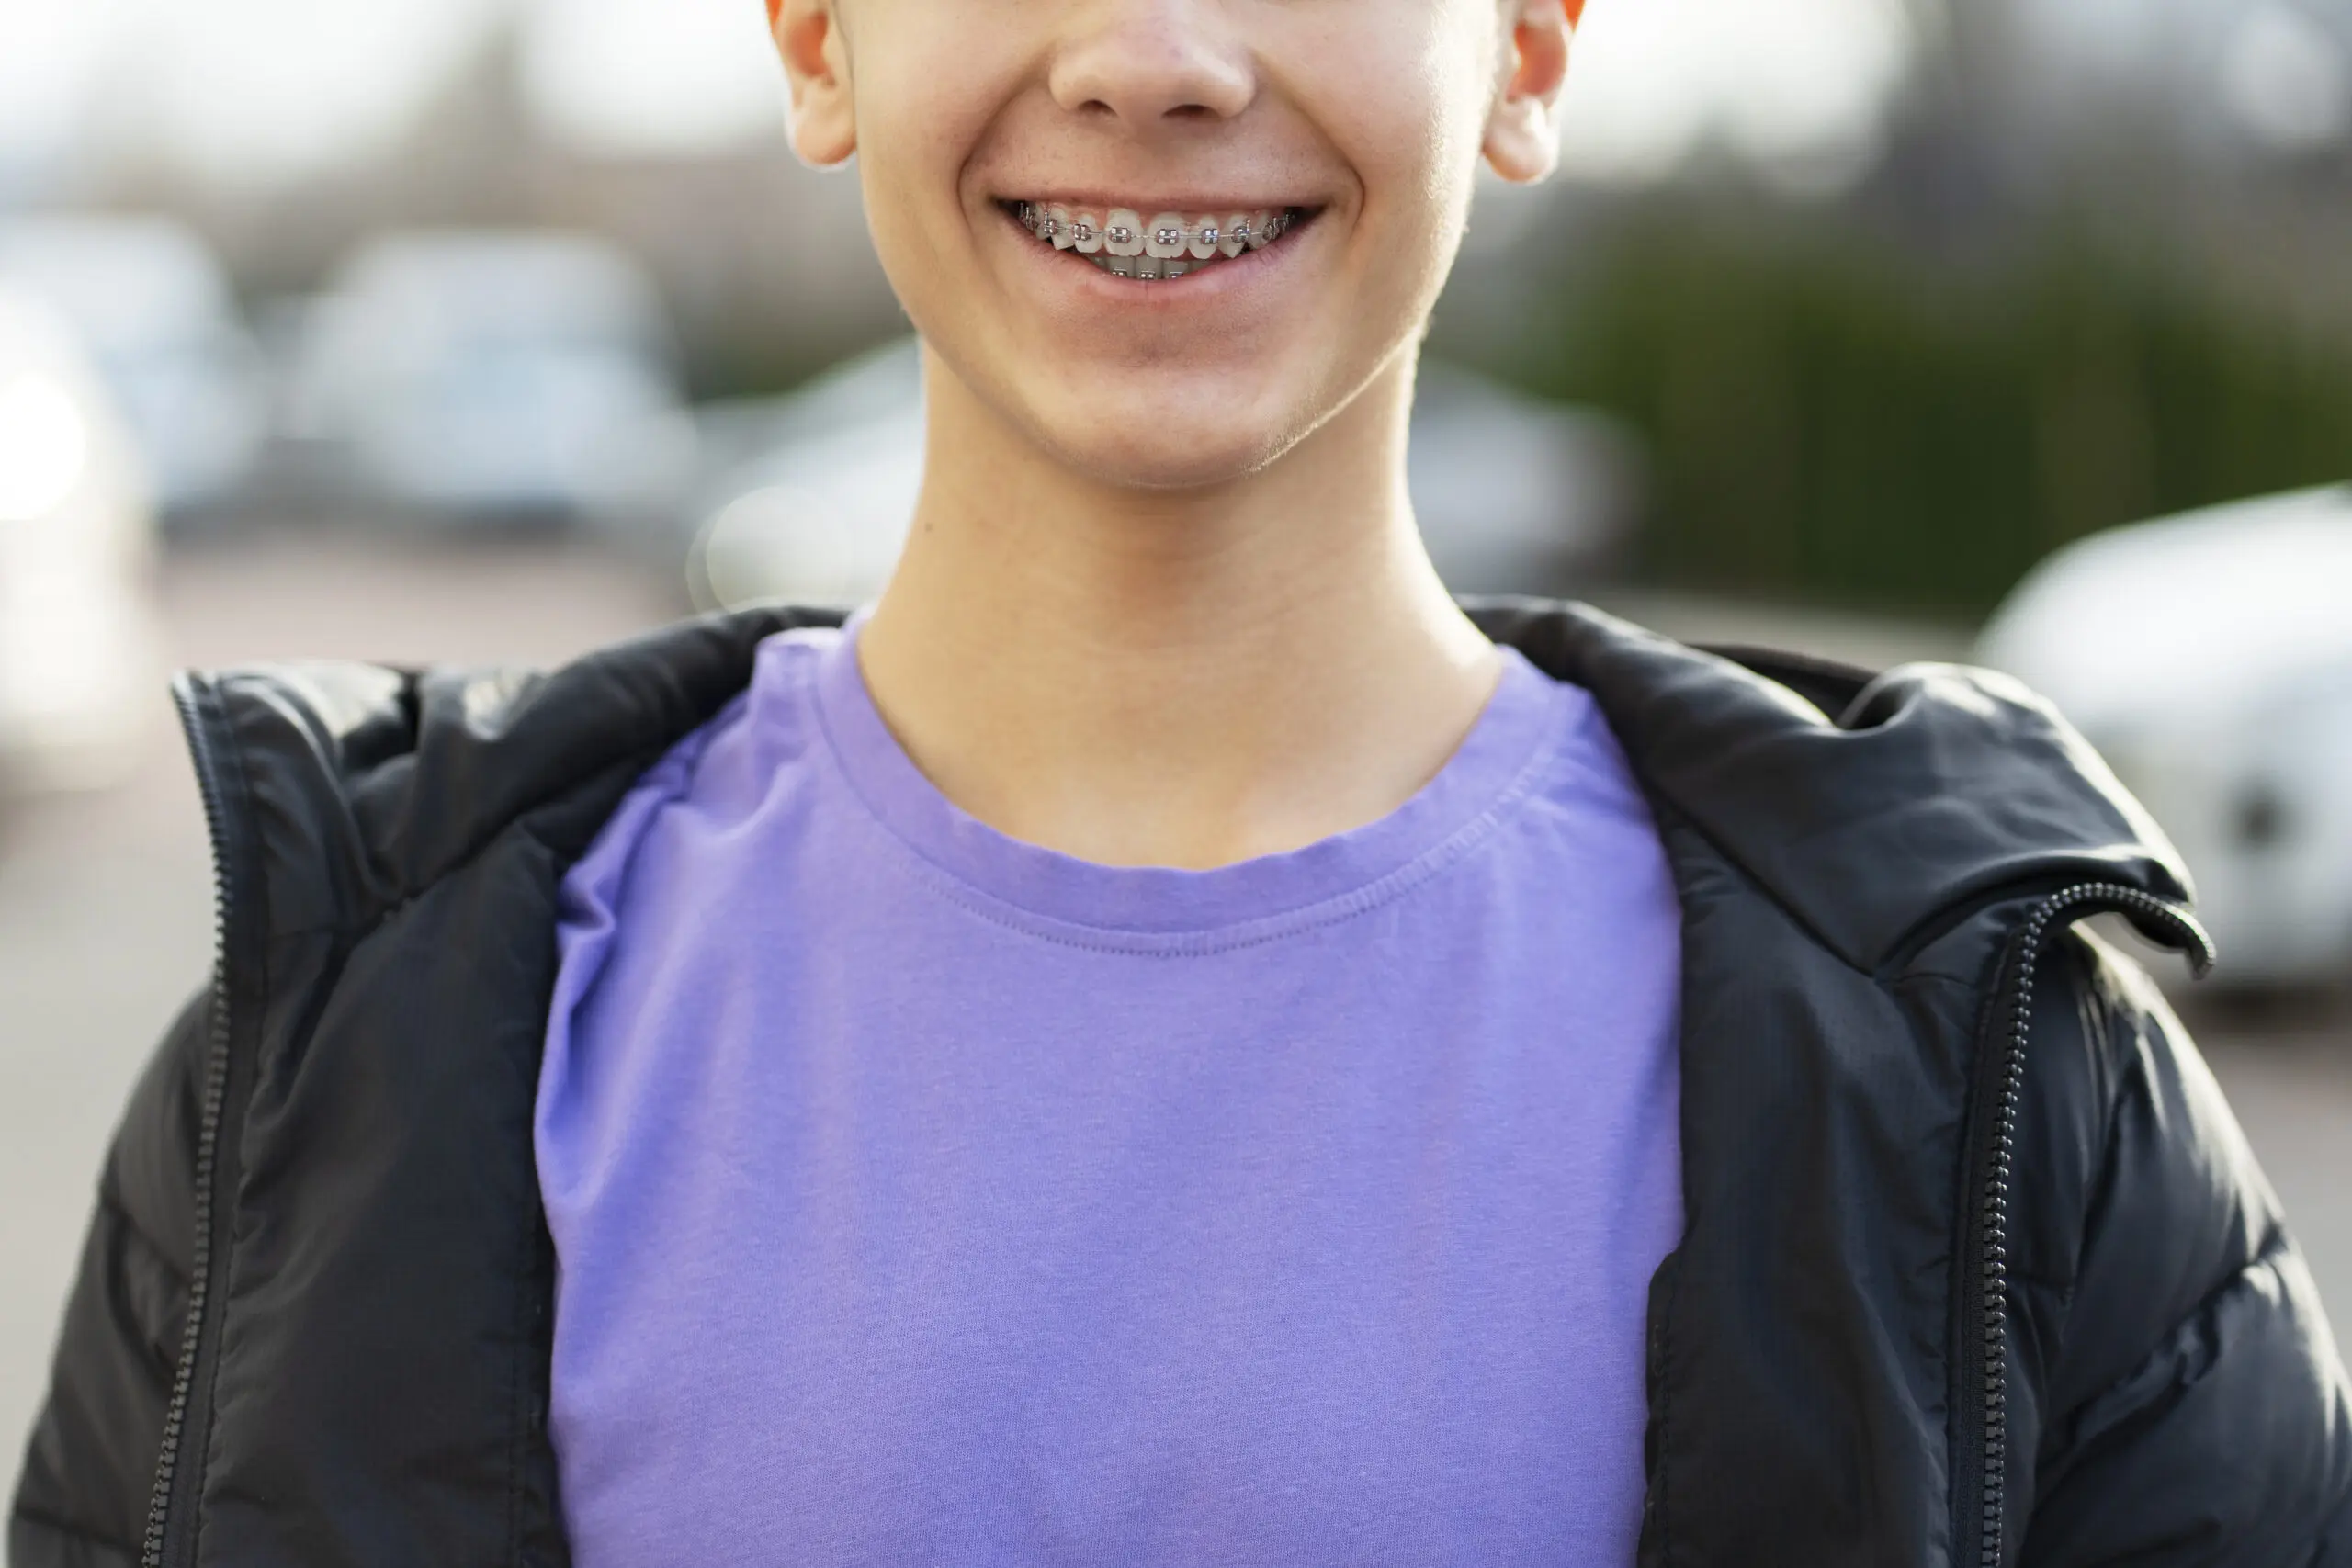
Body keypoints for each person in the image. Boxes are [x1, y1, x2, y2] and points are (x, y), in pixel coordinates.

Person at [16, 0, 2352, 1561]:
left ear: (1529, 41)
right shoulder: (330, 1045)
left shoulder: (1998, 1073)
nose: (1149, 58)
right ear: (818, 33)